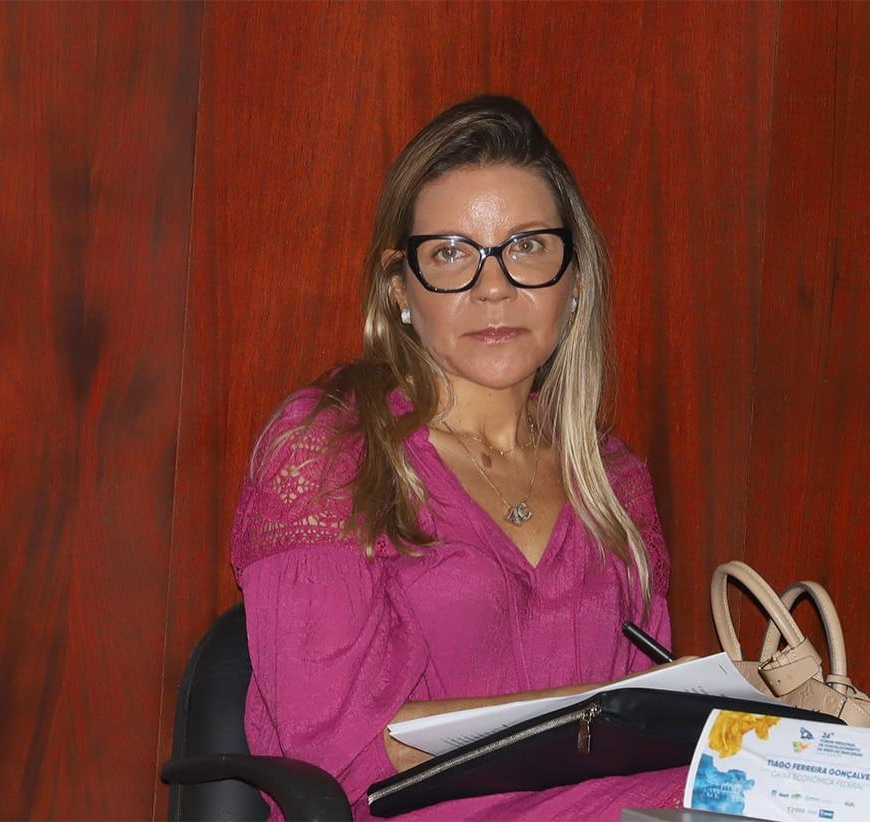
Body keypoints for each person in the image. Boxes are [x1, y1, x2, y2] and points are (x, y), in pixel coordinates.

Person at [230, 96, 687, 820]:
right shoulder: (330, 448)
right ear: (400, 288)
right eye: (450, 254)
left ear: (574, 281)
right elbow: (333, 751)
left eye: (528, 246)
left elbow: (647, 736)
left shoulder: (613, 479)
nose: (494, 287)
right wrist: (591, 713)